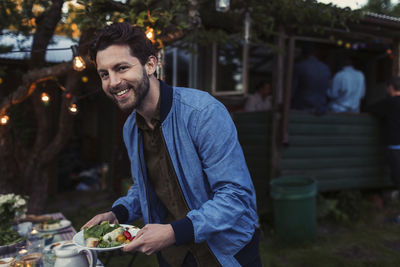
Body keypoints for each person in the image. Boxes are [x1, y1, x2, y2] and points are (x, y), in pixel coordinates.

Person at [82, 22, 260, 267]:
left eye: (121, 68)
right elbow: (145, 186)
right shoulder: (130, 128)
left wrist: (174, 232)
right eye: (104, 74)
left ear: (151, 65)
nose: (113, 82)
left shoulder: (202, 113)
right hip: (173, 256)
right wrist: (117, 214)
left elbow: (235, 196)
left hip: (225, 253)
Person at [367, 77, 400, 195]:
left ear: (390, 87)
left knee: (397, 178)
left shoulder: (389, 102)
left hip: (395, 147)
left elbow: (370, 109)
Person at [291, 44, 331, 114]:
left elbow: (292, 89)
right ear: (315, 53)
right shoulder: (325, 67)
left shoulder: (300, 66)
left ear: (302, 54)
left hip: (302, 106)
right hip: (321, 107)